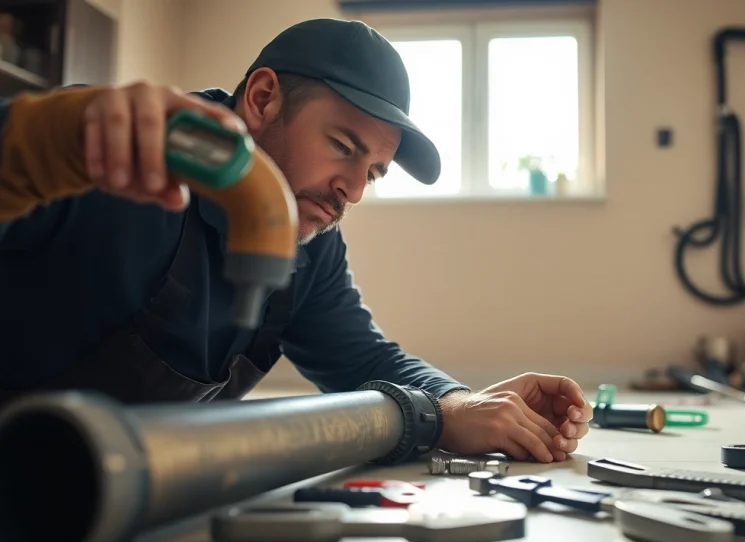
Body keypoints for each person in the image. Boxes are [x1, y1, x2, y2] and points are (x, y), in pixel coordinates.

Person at [0, 18, 592, 463]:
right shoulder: (123, 165)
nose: (353, 190)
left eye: (375, 172)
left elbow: (360, 358)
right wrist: (47, 139)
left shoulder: (309, 248)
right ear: (262, 99)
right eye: (343, 146)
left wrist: (459, 403)